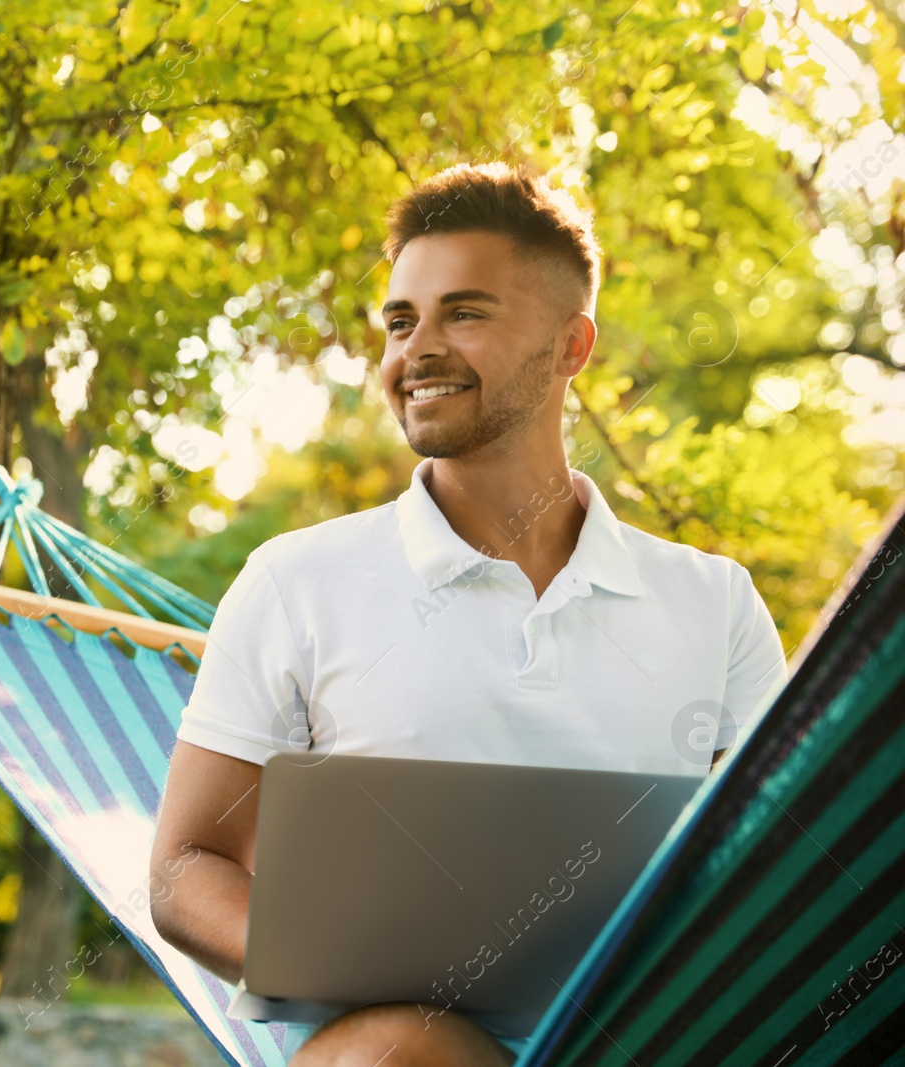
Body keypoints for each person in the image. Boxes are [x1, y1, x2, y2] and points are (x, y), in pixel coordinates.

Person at [147, 162, 789, 1065]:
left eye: (466, 313)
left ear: (572, 347)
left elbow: (772, 874)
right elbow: (182, 872)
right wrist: (372, 975)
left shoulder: (714, 603)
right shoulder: (295, 582)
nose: (418, 349)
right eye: (401, 321)